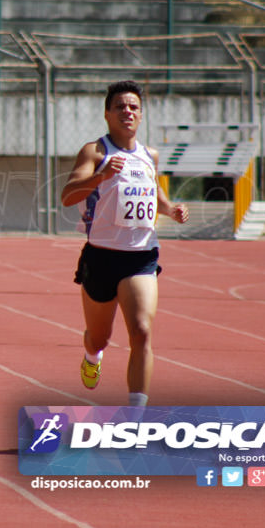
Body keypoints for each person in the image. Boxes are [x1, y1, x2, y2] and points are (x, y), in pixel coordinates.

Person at [60, 80, 189, 407]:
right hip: (101, 258)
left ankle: (135, 418)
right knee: (99, 335)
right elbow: (67, 195)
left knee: (142, 331)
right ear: (107, 114)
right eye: (120, 106)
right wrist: (99, 176)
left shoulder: (149, 156)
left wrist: (171, 209)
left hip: (141, 256)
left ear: (141, 116)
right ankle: (92, 354)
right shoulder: (96, 151)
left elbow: (154, 194)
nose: (127, 112)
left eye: (133, 107)